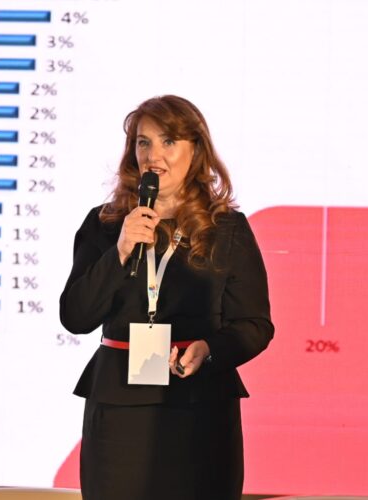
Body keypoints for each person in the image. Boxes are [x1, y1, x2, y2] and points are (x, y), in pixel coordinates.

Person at [59, 95, 274, 500]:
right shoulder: (106, 225)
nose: (153, 156)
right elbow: (76, 316)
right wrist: (120, 251)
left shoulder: (227, 228)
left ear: (196, 151)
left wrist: (210, 350)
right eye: (144, 142)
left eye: (168, 142)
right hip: (120, 410)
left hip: (200, 404)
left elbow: (254, 324)